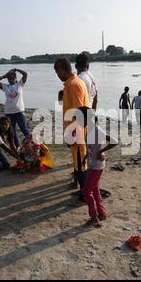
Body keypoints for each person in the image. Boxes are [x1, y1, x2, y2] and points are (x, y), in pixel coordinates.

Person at [54, 58, 90, 195]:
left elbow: (80, 112)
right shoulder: (73, 83)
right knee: (78, 161)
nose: (58, 77)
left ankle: (85, 194)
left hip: (77, 132)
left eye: (57, 73)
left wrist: (73, 133)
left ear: (61, 70)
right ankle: (82, 190)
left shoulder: (73, 85)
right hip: (74, 131)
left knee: (81, 163)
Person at [79, 107, 117, 228]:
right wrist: (86, 156)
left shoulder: (97, 130)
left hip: (97, 166)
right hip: (93, 164)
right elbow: (91, 147)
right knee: (95, 190)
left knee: (86, 191)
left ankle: (94, 217)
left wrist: (101, 151)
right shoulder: (88, 130)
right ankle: (102, 213)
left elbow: (114, 141)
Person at [0, 68, 30, 148]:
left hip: (19, 112)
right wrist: (4, 76)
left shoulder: (19, 84)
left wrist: (17, 70)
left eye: (12, 78)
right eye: (9, 78)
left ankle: (32, 145)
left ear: (15, 78)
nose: (11, 79)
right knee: (12, 132)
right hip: (9, 113)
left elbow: (25, 74)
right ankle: (18, 147)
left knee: (24, 130)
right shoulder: (5, 87)